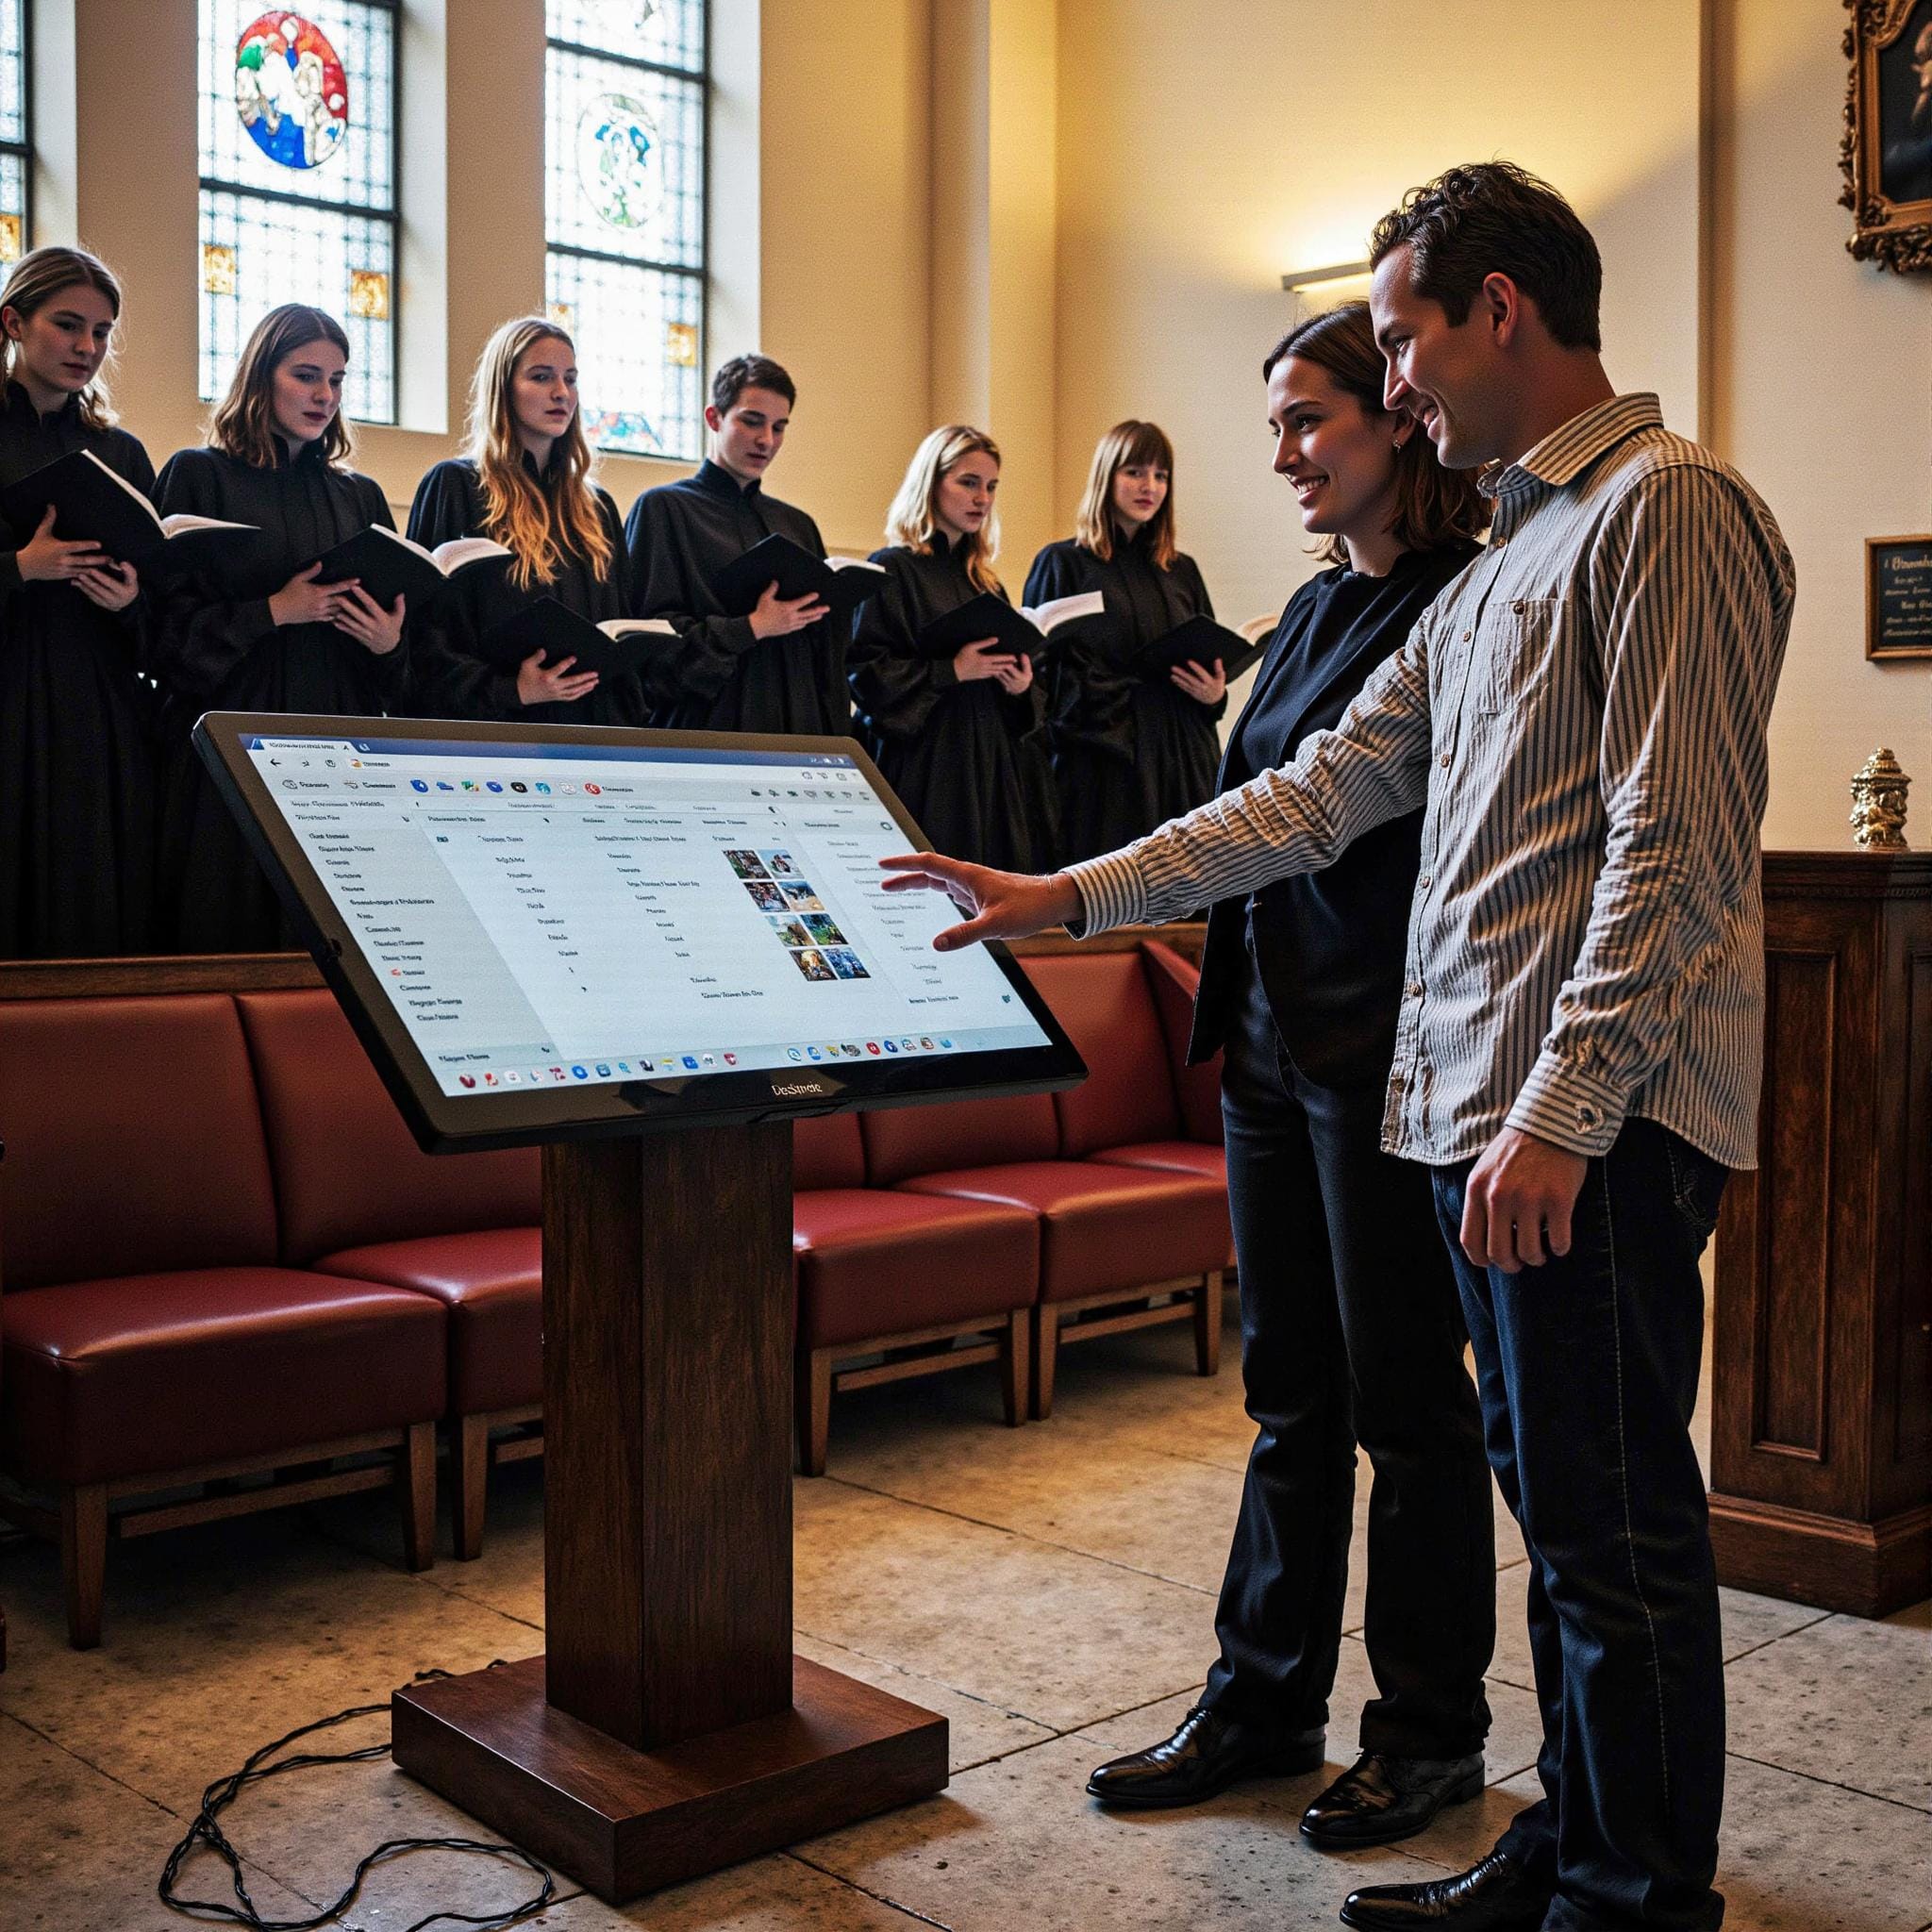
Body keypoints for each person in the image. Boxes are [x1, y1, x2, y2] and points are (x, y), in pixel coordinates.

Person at [881, 161, 1793, 1932]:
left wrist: (1559, 1111)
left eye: (1400, 338)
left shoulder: (1666, 506)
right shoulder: (1503, 560)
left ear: (1497, 310)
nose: (1396, 381)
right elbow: (1314, 794)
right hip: (1482, 1121)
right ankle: (1575, 1844)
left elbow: (1674, 848)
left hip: (1582, 1128)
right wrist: (1066, 894)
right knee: (1562, 1524)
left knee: (1612, 1535)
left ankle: (1629, 1899)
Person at [1078, 306, 1496, 1851]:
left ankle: (1429, 1733)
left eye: (1307, 419)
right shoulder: (1316, 605)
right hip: (1261, 1033)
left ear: (1398, 416)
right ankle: (1260, 1700)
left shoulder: (1464, 603)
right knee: (1288, 1397)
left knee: (1408, 1402)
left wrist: (1073, 890)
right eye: (1273, 426)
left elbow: (1326, 812)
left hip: (1383, 1049)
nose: (1281, 455)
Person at [152, 304, 407, 953]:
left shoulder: (359, 496)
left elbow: (402, 655)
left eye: (337, 380)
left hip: (337, 731)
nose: (325, 396)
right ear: (261, 374)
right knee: (228, 922)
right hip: (234, 733)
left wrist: (388, 641)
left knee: (339, 931)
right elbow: (161, 635)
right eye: (306, 375)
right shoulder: (198, 474)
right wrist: (273, 610)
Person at [0, 245, 158, 958]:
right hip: (8, 689)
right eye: (67, 326)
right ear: (13, 322)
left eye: (101, 333)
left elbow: (160, 601)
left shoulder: (120, 454)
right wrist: (19, 567)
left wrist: (129, 599)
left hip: (94, 700)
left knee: (88, 888)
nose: (87, 348)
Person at [407, 315, 637, 724]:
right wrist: (512, 690)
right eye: (541, 377)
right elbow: (425, 635)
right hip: (494, 731)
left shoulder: (597, 507)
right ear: (503, 387)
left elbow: (621, 629)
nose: (561, 392)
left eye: (570, 379)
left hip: (589, 729)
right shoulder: (456, 486)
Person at [848, 425, 1057, 872]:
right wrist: (952, 671)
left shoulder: (985, 582)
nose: (982, 498)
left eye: (991, 487)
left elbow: (1023, 703)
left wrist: (1020, 686)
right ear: (931, 482)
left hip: (989, 763)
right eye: (969, 482)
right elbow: (866, 675)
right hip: (927, 764)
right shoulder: (892, 568)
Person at [1024, 421, 1224, 861]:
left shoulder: (1181, 570)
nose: (1149, 486)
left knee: (1190, 886)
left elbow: (1208, 656)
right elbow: (1045, 681)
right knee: (1109, 887)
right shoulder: (1063, 563)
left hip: (1183, 757)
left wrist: (1214, 695)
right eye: (1135, 472)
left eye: (1160, 475)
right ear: (1106, 476)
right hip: (1103, 764)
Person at [623, 353, 848, 734]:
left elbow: (827, 657)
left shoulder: (798, 526)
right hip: (706, 725)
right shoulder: (664, 509)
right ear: (714, 418)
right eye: (752, 421)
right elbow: (649, 645)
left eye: (779, 427)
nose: (766, 440)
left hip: (796, 724)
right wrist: (752, 627)